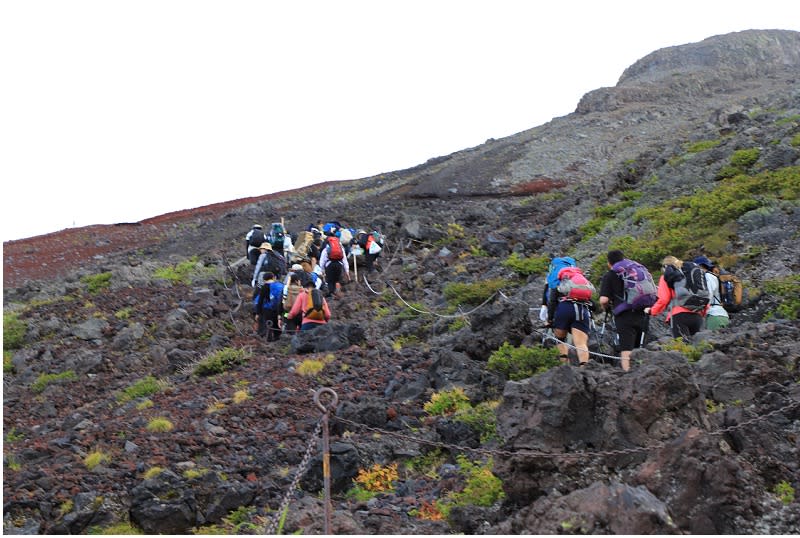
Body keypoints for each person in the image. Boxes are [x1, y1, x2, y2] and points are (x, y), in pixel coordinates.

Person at [598, 250, 651, 371]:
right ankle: (641, 373)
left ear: (609, 263)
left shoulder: (610, 275)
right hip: (642, 313)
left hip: (625, 315)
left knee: (626, 348)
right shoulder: (633, 272)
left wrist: (605, 307)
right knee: (639, 348)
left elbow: (603, 300)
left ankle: (628, 376)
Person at [541, 258, 592, 366]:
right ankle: (585, 369)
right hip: (581, 309)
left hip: (564, 308)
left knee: (560, 338)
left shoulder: (557, 278)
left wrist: (550, 319)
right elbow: (592, 303)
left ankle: (565, 366)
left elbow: (552, 300)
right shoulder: (579, 278)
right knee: (581, 344)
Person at [645, 256, 706, 339]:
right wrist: (703, 312)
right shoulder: (690, 274)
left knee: (682, 346)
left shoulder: (667, 277)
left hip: (679, 315)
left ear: (665, 267)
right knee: (698, 346)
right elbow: (703, 294)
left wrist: (652, 311)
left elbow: (664, 299)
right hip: (697, 315)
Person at [694, 255, 730, 330]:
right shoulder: (711, 276)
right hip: (718, 315)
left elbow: (708, 296)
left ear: (700, 266)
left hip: (714, 316)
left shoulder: (708, 276)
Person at [318, 230, 350, 298]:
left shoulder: (326, 248)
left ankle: (332, 295)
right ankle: (338, 293)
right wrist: (347, 271)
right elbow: (344, 260)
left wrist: (322, 270)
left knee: (330, 281)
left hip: (329, 265)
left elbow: (322, 261)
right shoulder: (340, 247)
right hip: (339, 264)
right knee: (337, 280)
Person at [254, 272, 283, 341]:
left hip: (267, 309)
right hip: (278, 309)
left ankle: (268, 339)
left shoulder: (264, 287)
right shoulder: (279, 285)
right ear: (273, 277)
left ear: (264, 279)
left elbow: (260, 300)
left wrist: (257, 313)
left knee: (268, 324)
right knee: (276, 324)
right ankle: (277, 339)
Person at [282, 269, 306, 333]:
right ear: (296, 281)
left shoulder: (285, 289)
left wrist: (280, 315)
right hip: (300, 314)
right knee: (301, 333)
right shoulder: (302, 290)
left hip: (287, 313)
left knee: (289, 332)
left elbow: (281, 302)